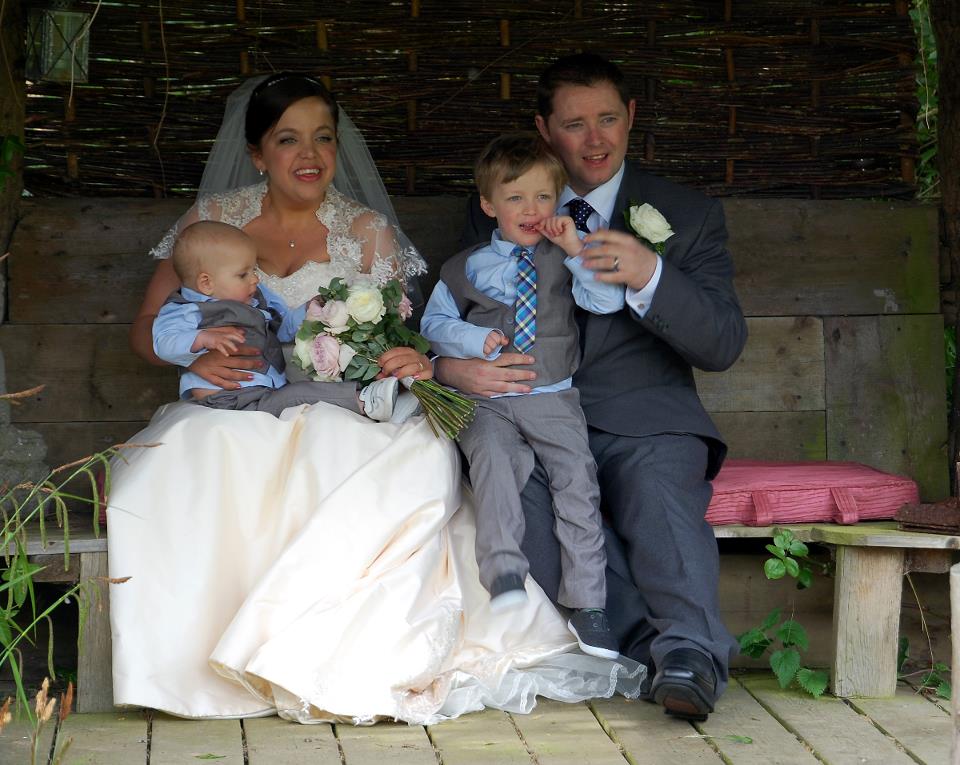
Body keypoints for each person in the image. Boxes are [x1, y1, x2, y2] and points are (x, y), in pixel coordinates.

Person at [107, 71, 643, 724]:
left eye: (323, 138)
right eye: (288, 139)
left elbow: (404, 334)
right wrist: (196, 353)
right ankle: (199, 656)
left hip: (344, 397)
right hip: (236, 398)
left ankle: (329, 655)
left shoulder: (366, 230)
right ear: (256, 153)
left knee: (389, 456)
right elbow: (148, 327)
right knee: (185, 453)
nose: (310, 155)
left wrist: (412, 358)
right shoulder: (210, 223)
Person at [440, 53, 748, 722]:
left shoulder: (686, 213)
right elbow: (450, 311)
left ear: (631, 116)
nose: (595, 140)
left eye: (608, 119)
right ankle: (643, 651)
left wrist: (650, 275)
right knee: (506, 485)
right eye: (574, 124)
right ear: (544, 130)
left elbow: (723, 342)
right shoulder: (498, 204)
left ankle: (690, 653)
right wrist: (451, 368)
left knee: (657, 491)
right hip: (525, 414)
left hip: (643, 418)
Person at [421, 133, 624, 660]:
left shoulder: (566, 256)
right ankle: (504, 571)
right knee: (494, 461)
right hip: (487, 400)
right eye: (515, 198)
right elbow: (434, 325)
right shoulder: (465, 267)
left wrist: (576, 248)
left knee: (577, 482)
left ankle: (589, 604)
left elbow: (604, 301)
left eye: (542, 197)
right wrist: (473, 340)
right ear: (489, 205)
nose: (531, 210)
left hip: (553, 398)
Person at [153, 219, 402, 420]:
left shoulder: (256, 298)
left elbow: (282, 328)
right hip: (227, 399)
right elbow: (163, 342)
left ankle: (365, 398)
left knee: (296, 399)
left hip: (263, 388)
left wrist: (309, 310)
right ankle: (365, 401)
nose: (255, 279)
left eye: (254, 270)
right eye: (243, 274)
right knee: (297, 396)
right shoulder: (187, 309)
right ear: (206, 283)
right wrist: (201, 338)